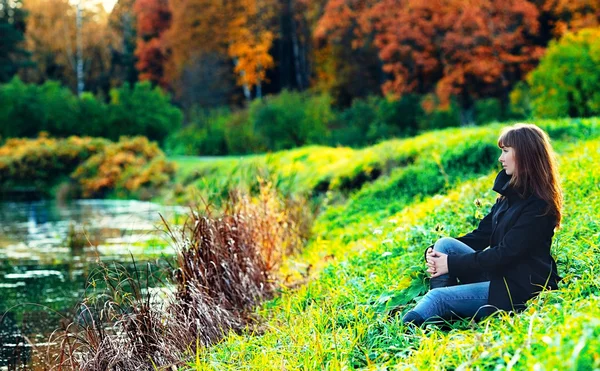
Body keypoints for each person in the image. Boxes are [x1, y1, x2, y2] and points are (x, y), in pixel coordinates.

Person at [402, 123, 563, 326]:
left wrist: (450, 264)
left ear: (525, 154)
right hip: (501, 274)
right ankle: (442, 313)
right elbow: (480, 236)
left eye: (505, 151)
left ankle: (416, 322)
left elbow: (504, 254)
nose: (500, 159)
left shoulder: (538, 207)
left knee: (437, 299)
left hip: (519, 287)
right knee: (443, 245)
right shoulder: (509, 196)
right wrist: (435, 253)